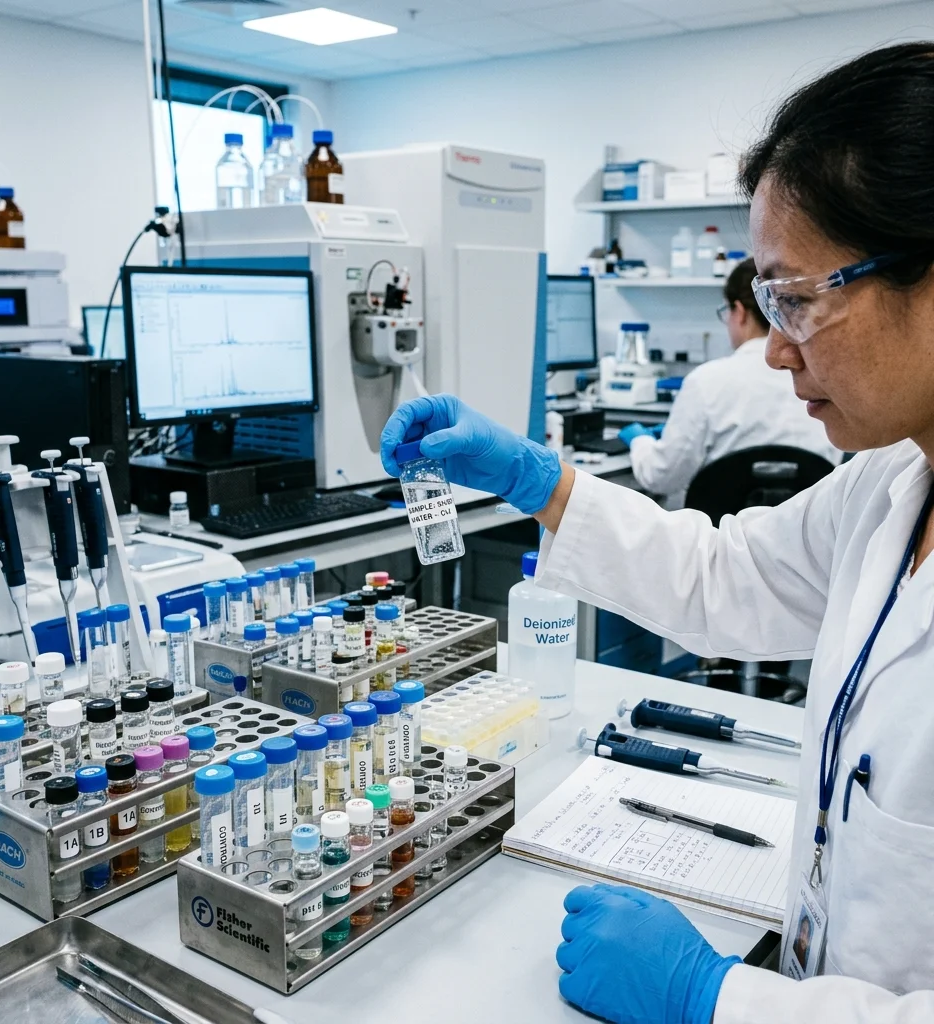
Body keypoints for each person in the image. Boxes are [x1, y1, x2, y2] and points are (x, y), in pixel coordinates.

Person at [380, 43, 934, 1024]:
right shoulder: (889, 484)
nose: (770, 347)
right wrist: (540, 482)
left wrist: (713, 997)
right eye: (766, 301)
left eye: (798, 299)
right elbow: (723, 574)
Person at [618, 257, 841, 499]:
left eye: (727, 312)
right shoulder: (821, 379)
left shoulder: (707, 381)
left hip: (721, 532)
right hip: (808, 530)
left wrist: (639, 441)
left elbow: (661, 477)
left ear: (740, 312)